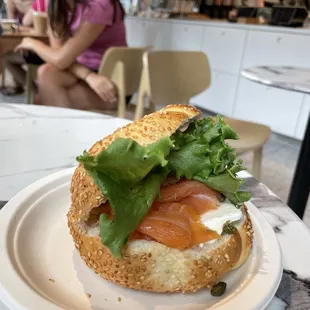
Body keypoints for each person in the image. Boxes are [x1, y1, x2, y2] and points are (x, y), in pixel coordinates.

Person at [15, 0, 127, 110]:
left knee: (42, 101)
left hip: (112, 81)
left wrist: (32, 43)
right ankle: (66, 126)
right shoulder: (54, 4)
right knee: (46, 72)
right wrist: (88, 76)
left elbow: (60, 60)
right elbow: (58, 57)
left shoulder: (100, 5)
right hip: (82, 71)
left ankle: (65, 127)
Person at [1, 0, 39, 95]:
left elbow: (38, 28)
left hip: (39, 44)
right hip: (23, 43)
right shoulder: (11, 2)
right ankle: (34, 91)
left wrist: (19, 28)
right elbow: (11, 27)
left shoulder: (38, 2)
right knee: (5, 55)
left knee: (6, 58)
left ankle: (35, 92)